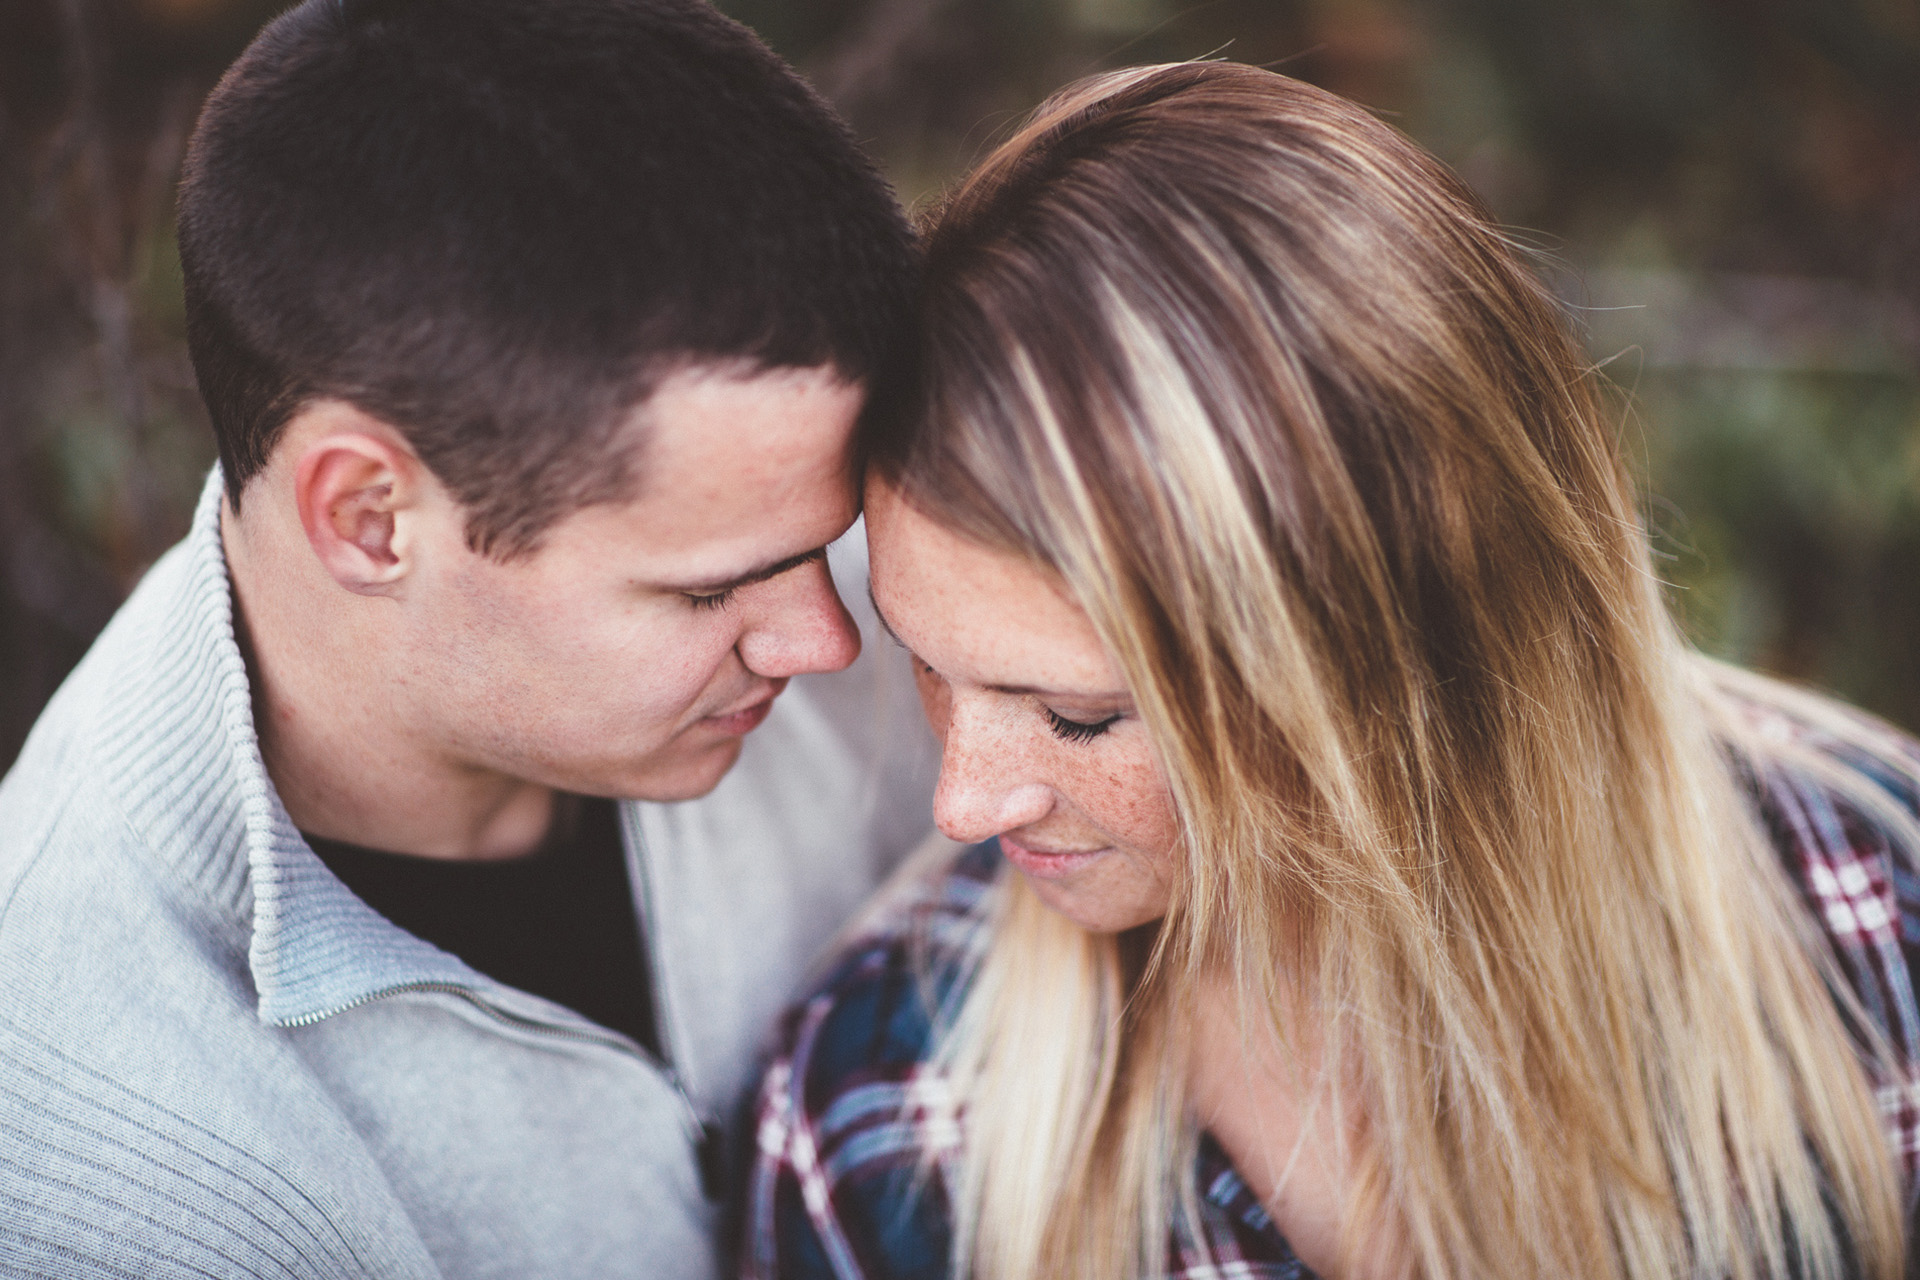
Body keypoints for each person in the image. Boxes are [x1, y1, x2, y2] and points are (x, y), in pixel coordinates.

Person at [742, 62, 1920, 1280]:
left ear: (1400, 645)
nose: (965, 802)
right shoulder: (885, 1115)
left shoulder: (1875, 902)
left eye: (1080, 714)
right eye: (927, 665)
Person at [0, 0, 941, 1275]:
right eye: (712, 590)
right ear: (371, 518)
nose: (834, 638)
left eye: (826, 545)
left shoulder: (901, 570)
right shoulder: (94, 1155)